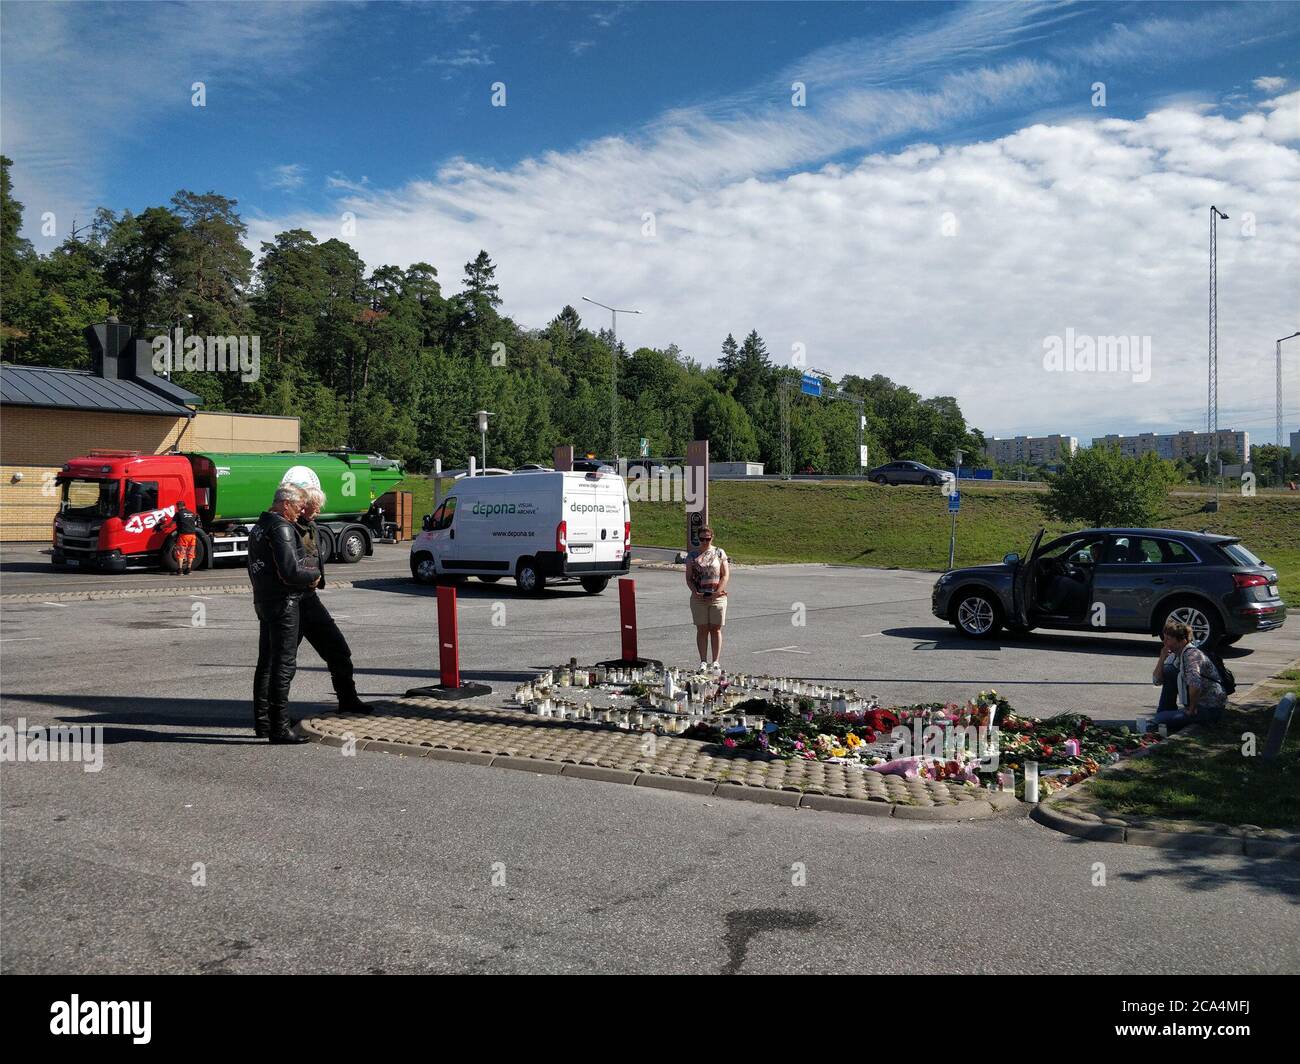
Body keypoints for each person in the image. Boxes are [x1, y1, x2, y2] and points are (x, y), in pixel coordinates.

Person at [247, 484, 320, 743]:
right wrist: (314, 574)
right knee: (284, 663)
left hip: (264, 600)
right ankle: (279, 726)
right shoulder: (281, 527)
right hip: (284, 602)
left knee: (266, 662)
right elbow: (291, 571)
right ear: (285, 503)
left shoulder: (259, 527)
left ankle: (264, 722)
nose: (302, 510)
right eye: (299, 504)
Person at [295, 487, 371, 715]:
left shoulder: (311, 526)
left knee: (339, 650)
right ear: (303, 505)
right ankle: (273, 717)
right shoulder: (289, 529)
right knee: (282, 661)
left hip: (310, 598)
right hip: (292, 601)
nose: (319, 510)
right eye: (315, 505)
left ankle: (348, 699)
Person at [1151, 620, 1226, 730]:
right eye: (1164, 638)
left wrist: (1191, 709)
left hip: (1209, 708)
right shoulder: (1176, 654)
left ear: (1181, 640)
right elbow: (1157, 681)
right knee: (1169, 670)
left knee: (1159, 719)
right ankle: (1165, 713)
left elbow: (1195, 685)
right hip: (1198, 705)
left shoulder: (1192, 656)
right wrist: (1162, 658)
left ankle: (1166, 721)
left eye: (1168, 639)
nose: (1165, 643)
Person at [685, 526, 729, 673]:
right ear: (698, 538)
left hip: (717, 597)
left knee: (715, 629)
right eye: (702, 538)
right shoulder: (692, 556)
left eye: (707, 538)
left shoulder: (719, 552)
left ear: (712, 538)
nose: (704, 541)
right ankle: (703, 661)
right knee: (702, 629)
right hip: (699, 598)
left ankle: (715, 661)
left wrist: (718, 591)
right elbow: (689, 578)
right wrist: (694, 591)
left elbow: (725, 575)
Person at [168, 502, 200, 574]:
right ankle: (188, 569)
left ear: (178, 506)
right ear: (185, 506)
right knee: (191, 553)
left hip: (183, 536)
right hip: (192, 535)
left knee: (180, 553)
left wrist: (162, 526)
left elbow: (171, 525)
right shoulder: (192, 513)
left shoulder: (178, 514)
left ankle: (180, 570)